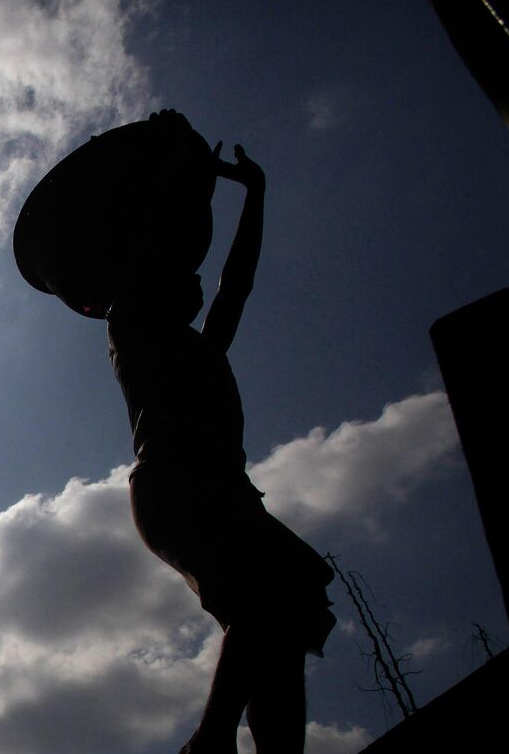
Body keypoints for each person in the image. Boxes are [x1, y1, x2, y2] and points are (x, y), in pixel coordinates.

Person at [106, 121, 335, 754]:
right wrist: (178, 181)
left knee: (280, 623)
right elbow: (148, 249)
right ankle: (210, 741)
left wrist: (253, 195)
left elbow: (239, 280)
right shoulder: (132, 330)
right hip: (178, 487)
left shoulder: (206, 347)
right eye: (181, 273)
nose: (196, 280)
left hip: (220, 490)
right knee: (274, 596)